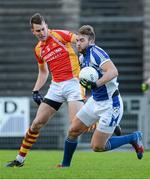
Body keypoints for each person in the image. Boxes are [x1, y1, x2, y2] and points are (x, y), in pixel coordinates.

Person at [5, 13, 86, 167]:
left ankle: (101, 119)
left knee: (76, 126)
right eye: (38, 31)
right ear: (33, 32)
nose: (41, 33)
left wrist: (84, 55)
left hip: (73, 83)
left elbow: (80, 40)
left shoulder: (59, 35)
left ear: (47, 26)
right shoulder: (38, 49)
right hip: (56, 86)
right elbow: (43, 72)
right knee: (36, 123)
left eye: (43, 29)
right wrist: (36, 90)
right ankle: (19, 159)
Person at [58, 25, 144, 168]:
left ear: (91, 41)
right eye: (77, 40)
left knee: (97, 147)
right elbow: (86, 80)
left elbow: (113, 71)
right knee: (73, 130)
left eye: (82, 40)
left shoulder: (96, 53)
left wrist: (96, 84)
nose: (78, 43)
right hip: (95, 101)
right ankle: (65, 166)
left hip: (111, 105)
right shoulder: (82, 57)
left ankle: (133, 137)